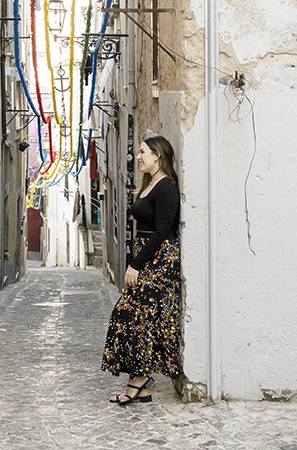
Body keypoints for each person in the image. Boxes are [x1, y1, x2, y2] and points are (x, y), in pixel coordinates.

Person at [102, 136, 185, 404]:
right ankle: (142, 385)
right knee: (132, 316)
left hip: (159, 261)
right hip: (147, 257)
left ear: (157, 156)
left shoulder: (166, 188)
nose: (138, 156)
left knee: (140, 319)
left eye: (142, 152)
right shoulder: (149, 185)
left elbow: (162, 231)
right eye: (138, 152)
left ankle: (137, 382)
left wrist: (136, 265)